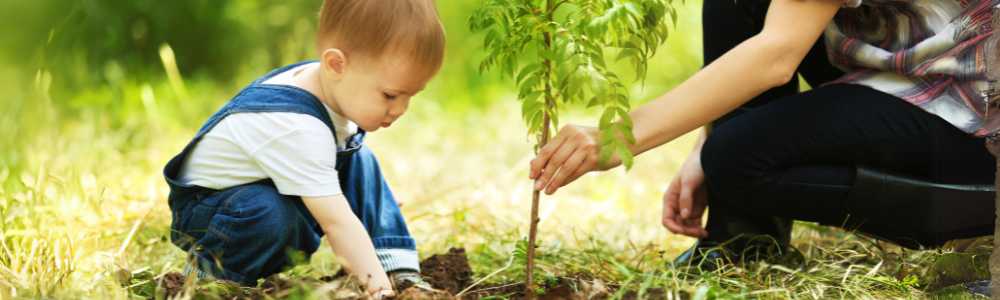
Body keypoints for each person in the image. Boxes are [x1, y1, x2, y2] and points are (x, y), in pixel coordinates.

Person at [530, 0, 997, 271]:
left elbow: (776, 54)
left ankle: (973, 206)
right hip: (912, 65)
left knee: (736, 160)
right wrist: (705, 139)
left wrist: (619, 138)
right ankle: (744, 237)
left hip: (974, 113)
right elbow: (778, 24)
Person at [161, 0, 445, 297]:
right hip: (212, 214)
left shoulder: (330, 84)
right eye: (390, 95)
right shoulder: (295, 127)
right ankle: (208, 279)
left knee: (359, 158)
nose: (401, 109)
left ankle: (396, 265)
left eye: (410, 96)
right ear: (336, 64)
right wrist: (377, 290)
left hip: (263, 194)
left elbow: (356, 182)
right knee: (268, 213)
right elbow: (337, 222)